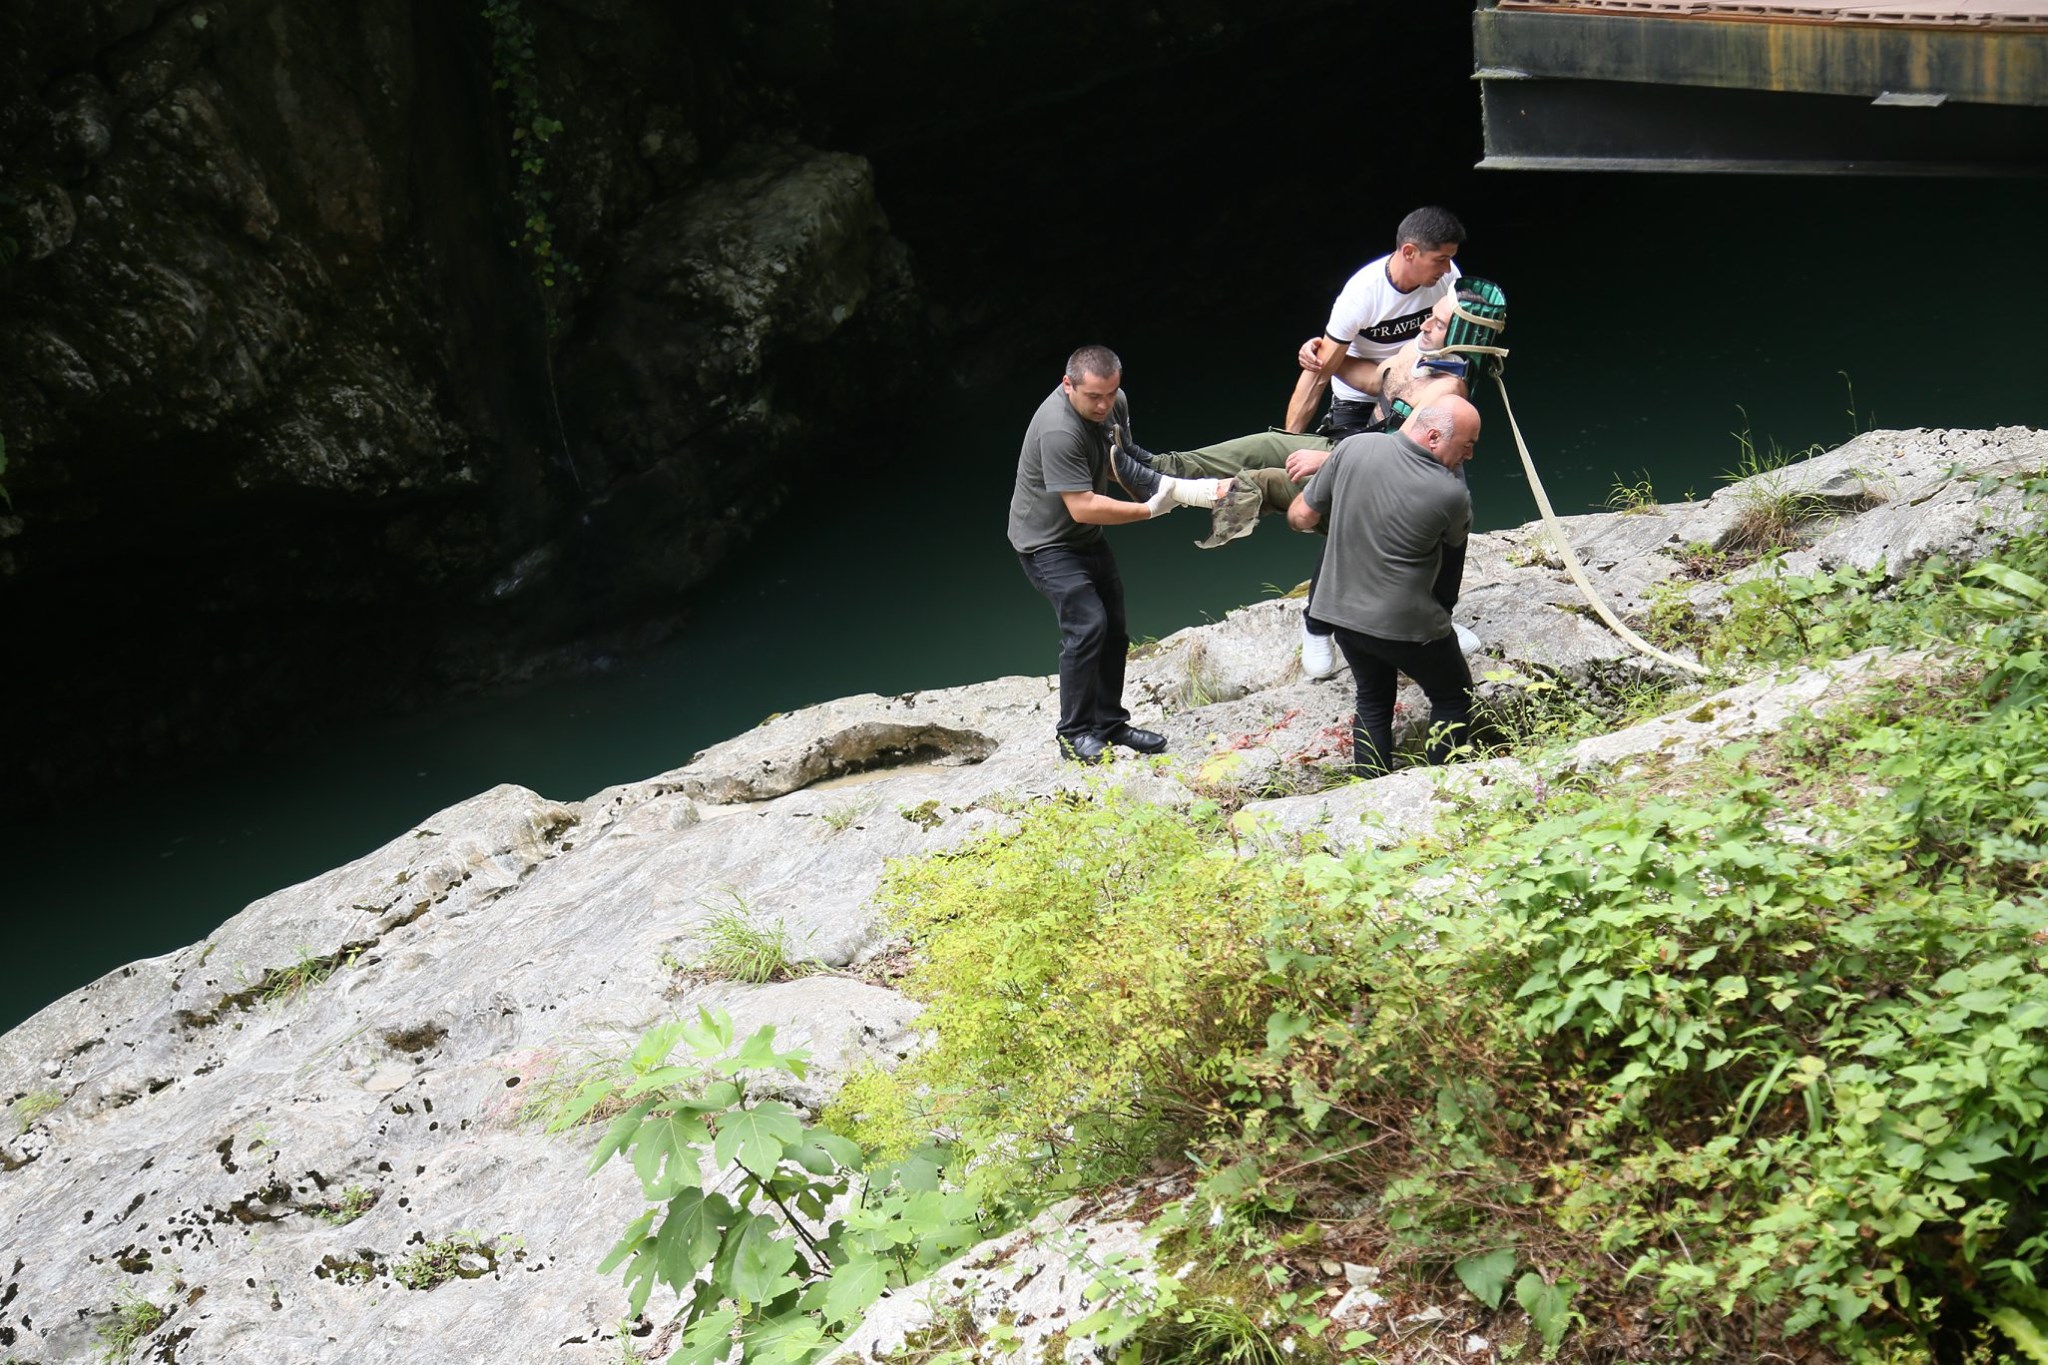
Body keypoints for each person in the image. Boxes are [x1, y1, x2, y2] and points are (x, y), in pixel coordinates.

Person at [1008, 345, 1227, 763]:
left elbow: (1116, 461)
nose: (1104, 405)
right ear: (1067, 384)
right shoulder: (1058, 430)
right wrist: (1149, 509)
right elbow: (1082, 506)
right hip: (1046, 544)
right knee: (1087, 625)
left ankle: (1109, 724)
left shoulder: (1114, 402)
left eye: (1110, 394)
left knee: (1114, 627)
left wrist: (1186, 488)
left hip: (1085, 538)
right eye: (1094, 397)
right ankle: (1073, 735)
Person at [1282, 206, 1468, 678]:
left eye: (1450, 259)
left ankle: (1438, 618)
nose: (1447, 268)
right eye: (1439, 259)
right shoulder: (1362, 295)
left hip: (1419, 399)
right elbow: (1317, 376)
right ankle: (1317, 624)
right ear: (1409, 252)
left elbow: (1458, 353)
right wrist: (1290, 442)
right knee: (1355, 509)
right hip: (1357, 404)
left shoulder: (1448, 282)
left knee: (1445, 504)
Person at [1286, 396, 1481, 778]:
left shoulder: (1353, 447)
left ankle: (1372, 791)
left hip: (1340, 616)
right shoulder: (1451, 493)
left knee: (1373, 701)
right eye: (1467, 445)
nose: (1470, 455)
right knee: (1453, 698)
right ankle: (1444, 787)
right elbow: (1453, 549)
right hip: (1407, 625)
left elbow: (1301, 516)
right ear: (1434, 437)